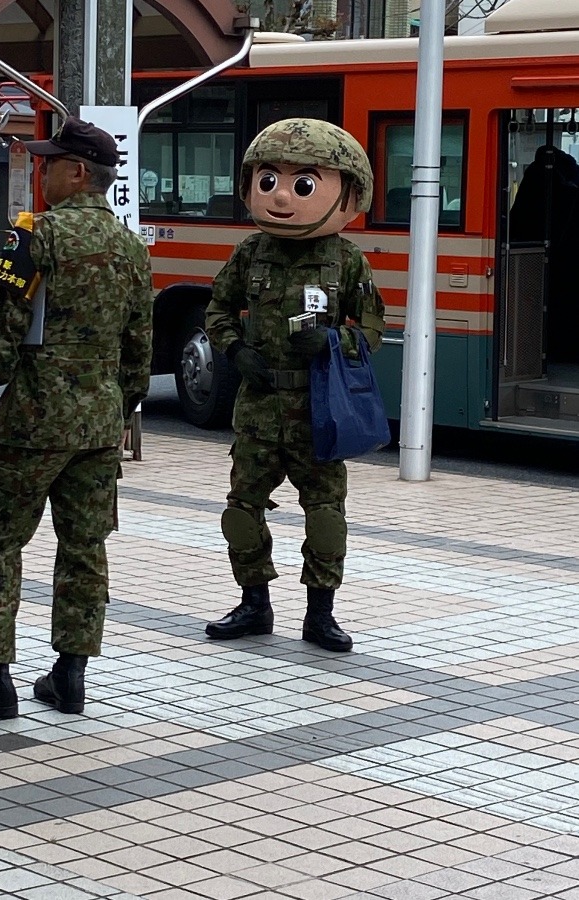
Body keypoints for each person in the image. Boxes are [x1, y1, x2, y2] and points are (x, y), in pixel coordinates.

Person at [0, 116, 153, 717]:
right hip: (101, 423)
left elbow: (2, 331)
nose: (40, 171)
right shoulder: (132, 245)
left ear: (77, 173)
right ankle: (70, 674)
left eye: (48, 163)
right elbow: (140, 346)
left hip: (36, 420)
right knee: (84, 546)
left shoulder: (35, 237)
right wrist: (119, 404)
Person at [205, 117, 385, 652]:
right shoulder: (250, 252)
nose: (281, 196)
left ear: (346, 192)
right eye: (269, 181)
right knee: (241, 510)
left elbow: (373, 329)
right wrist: (236, 350)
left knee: (326, 516)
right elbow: (217, 309)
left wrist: (335, 343)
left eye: (302, 184)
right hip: (259, 408)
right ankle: (254, 603)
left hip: (320, 411)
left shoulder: (347, 260)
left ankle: (320, 614)